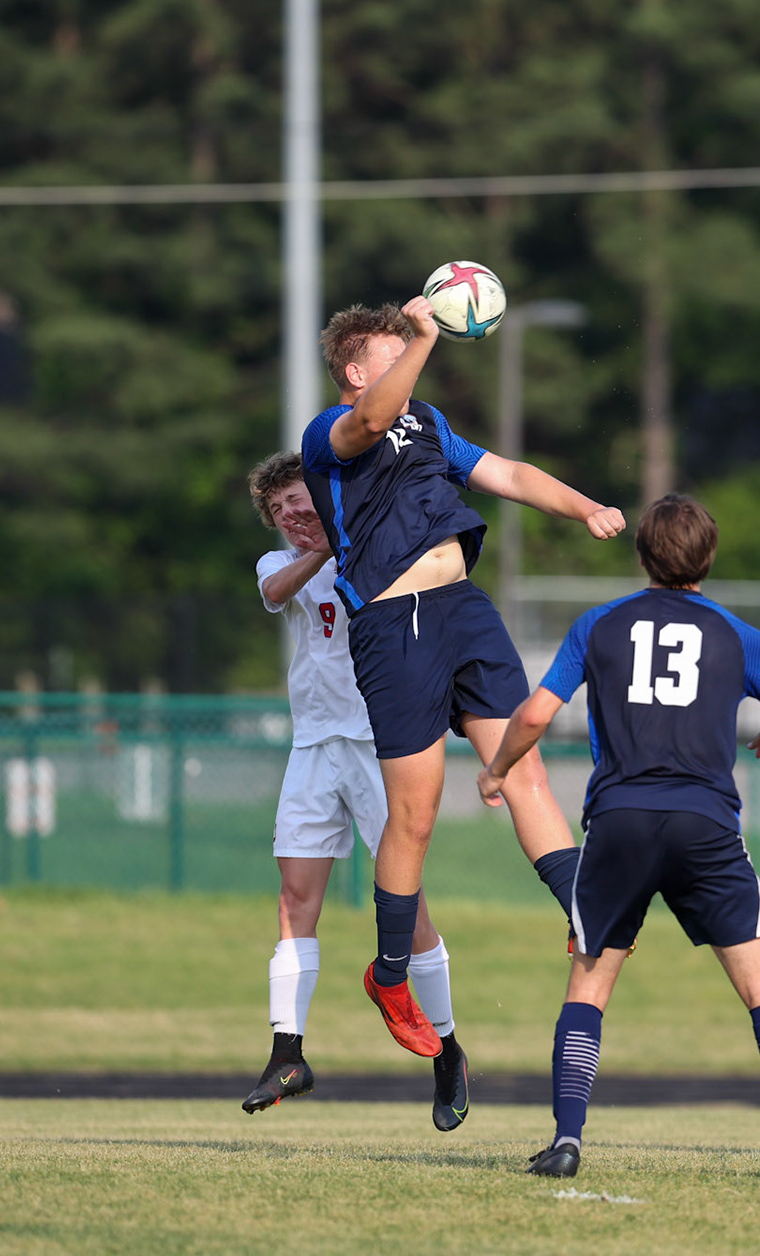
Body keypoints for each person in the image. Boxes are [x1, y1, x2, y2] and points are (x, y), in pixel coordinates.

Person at [478, 494, 760, 1181]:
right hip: (704, 824)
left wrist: (498, 768)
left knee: (590, 985)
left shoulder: (598, 625)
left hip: (620, 821)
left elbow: (538, 712)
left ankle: (568, 1140)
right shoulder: (735, 634)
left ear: (641, 554)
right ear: (709, 558)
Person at [301, 298, 625, 1058]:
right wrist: (424, 337)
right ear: (355, 370)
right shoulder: (329, 432)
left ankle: (584, 910)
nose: (411, 357)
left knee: (524, 768)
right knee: (415, 816)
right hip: (394, 625)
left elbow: (505, 471)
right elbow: (371, 422)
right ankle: (389, 973)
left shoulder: (430, 422)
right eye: (393, 351)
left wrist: (584, 507)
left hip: (462, 611)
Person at [240, 451, 469, 1130]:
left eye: (298, 501)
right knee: (294, 898)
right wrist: (317, 547)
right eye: (278, 510)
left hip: (382, 744)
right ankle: (288, 1053)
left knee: (408, 902)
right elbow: (276, 591)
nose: (289, 515)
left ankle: (447, 1049)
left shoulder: (375, 546)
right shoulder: (280, 563)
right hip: (314, 747)